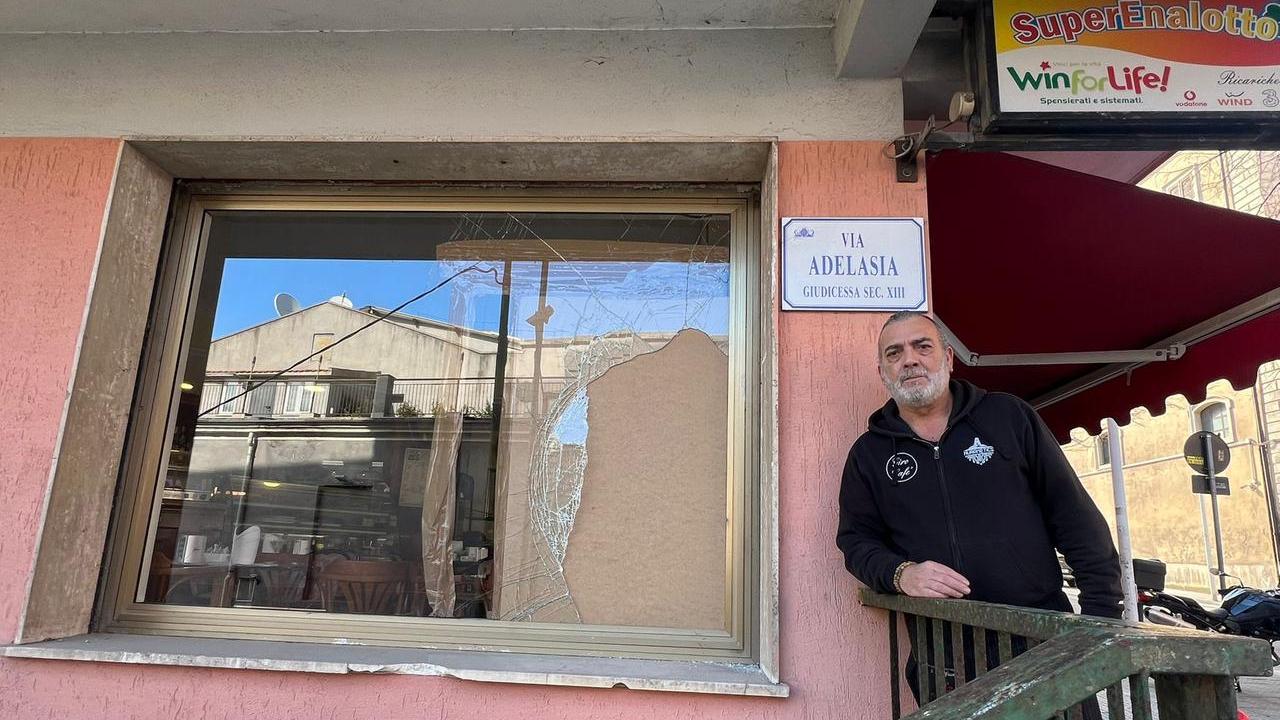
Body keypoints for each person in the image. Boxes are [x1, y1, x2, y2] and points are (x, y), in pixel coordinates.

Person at [836, 311, 1123, 709]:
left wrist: (1098, 621)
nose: (910, 360)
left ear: (948, 358)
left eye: (923, 347)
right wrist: (901, 574)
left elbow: (1075, 519)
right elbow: (856, 541)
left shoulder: (1008, 418)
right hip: (942, 659)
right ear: (883, 370)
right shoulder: (869, 455)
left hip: (1040, 648)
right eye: (894, 353)